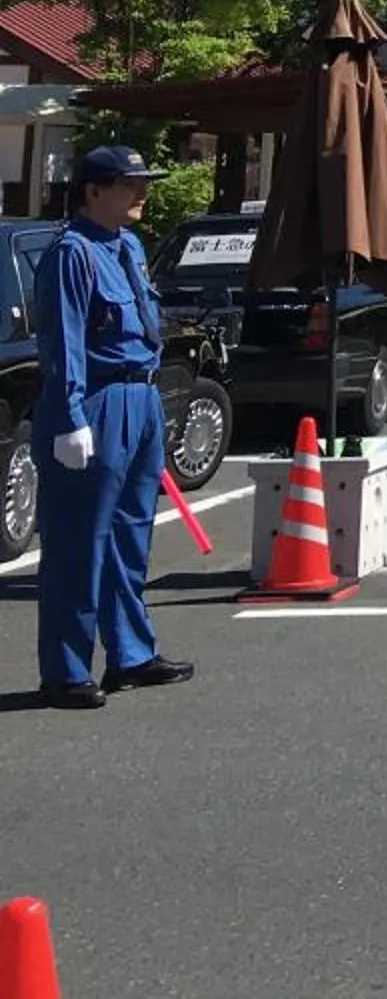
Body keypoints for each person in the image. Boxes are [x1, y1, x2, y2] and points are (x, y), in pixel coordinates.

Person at [34, 146, 192, 710]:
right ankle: (66, 669)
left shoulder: (128, 245)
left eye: (142, 182)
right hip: (94, 402)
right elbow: (65, 344)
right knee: (79, 542)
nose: (141, 193)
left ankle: (130, 654)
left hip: (139, 395)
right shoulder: (71, 254)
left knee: (130, 536)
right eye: (129, 184)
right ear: (94, 191)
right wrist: (71, 417)